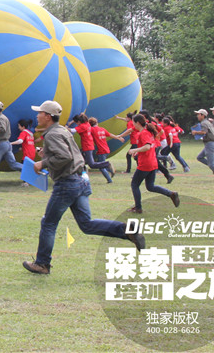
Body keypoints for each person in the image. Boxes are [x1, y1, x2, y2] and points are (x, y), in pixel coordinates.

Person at [22, 100, 145, 275]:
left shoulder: (52, 135)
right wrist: (47, 154)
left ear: (48, 116)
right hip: (80, 179)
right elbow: (70, 154)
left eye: (40, 112)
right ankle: (126, 230)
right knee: (86, 224)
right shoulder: (62, 130)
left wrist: (43, 162)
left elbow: (64, 157)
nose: (37, 115)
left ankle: (42, 264)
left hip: (67, 183)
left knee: (48, 223)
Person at [126, 114, 179, 213]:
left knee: (134, 184)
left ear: (137, 123)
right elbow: (149, 146)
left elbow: (147, 147)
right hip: (152, 162)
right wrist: (138, 152)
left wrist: (134, 150)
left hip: (145, 164)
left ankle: (138, 208)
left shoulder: (144, 133)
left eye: (133, 122)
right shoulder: (148, 132)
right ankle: (171, 194)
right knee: (150, 186)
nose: (132, 125)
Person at [69, 113, 115, 183]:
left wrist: (65, 127)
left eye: (76, 123)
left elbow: (72, 130)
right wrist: (72, 122)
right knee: (80, 161)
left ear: (79, 122)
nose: (77, 124)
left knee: (92, 164)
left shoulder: (82, 126)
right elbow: (83, 116)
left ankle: (107, 164)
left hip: (87, 147)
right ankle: (81, 176)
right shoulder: (87, 123)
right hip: (89, 146)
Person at [191, 109, 214, 182]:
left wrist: (195, 132)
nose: (197, 116)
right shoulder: (207, 122)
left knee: (211, 163)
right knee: (200, 157)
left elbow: (204, 132)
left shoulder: (204, 123)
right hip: (210, 143)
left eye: (198, 114)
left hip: (209, 143)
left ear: (203, 115)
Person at [11, 119, 37, 187]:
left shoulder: (23, 133)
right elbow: (28, 143)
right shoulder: (30, 133)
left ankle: (27, 182)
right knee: (27, 167)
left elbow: (20, 141)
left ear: (23, 127)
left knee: (24, 167)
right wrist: (22, 148)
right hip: (32, 152)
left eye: (19, 126)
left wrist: (11, 143)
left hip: (27, 154)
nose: (18, 127)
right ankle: (28, 181)